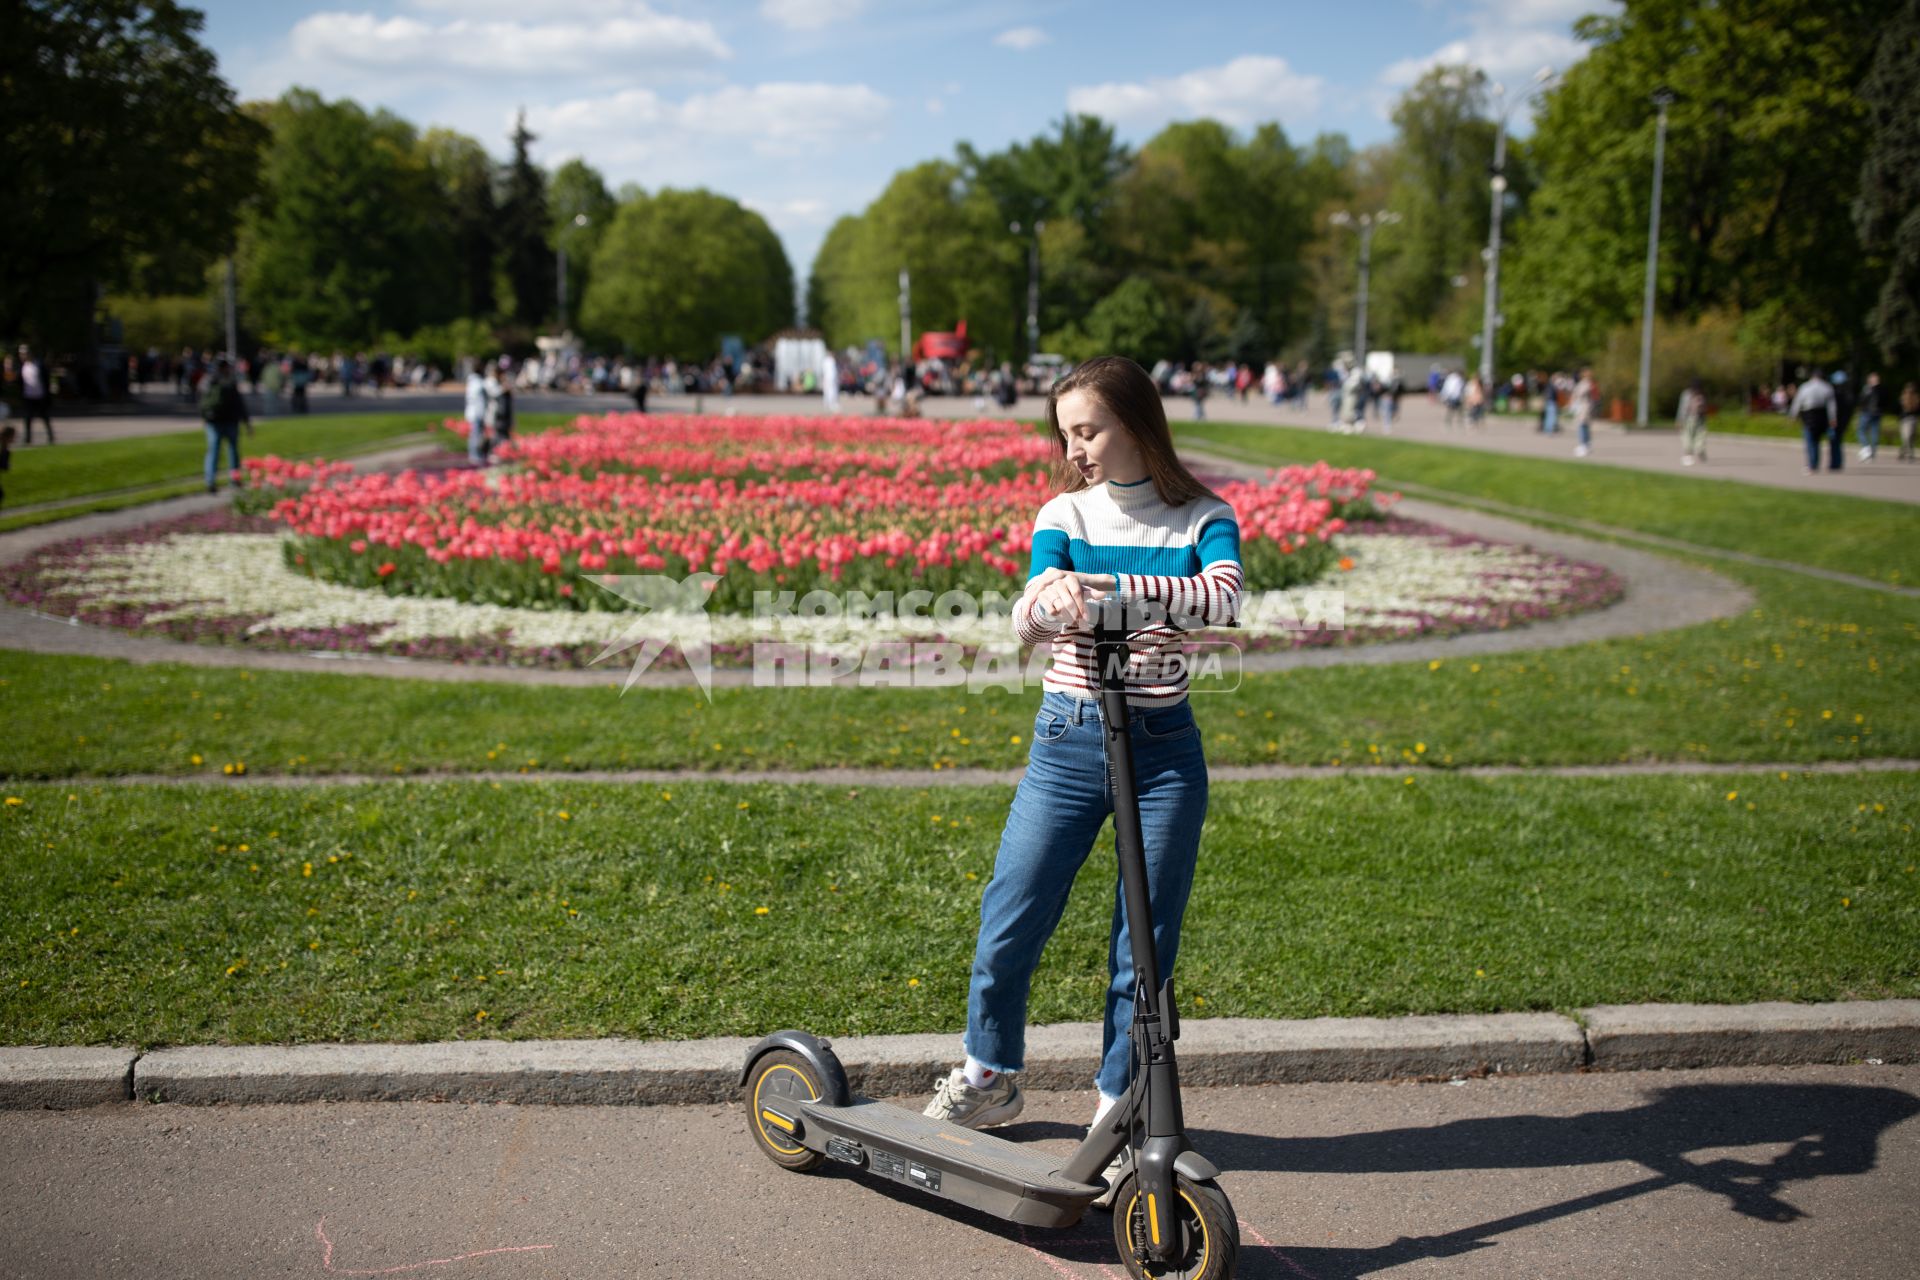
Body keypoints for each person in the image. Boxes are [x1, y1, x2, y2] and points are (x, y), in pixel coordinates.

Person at [922, 355, 1241, 1209]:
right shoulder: (1061, 512)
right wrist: (1058, 598)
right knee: (1013, 908)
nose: (1076, 450)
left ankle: (1117, 1106)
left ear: (1138, 422)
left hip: (1163, 753)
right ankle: (990, 1072)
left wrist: (1107, 591)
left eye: (1089, 430)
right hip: (1068, 742)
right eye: (1065, 434)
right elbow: (1026, 615)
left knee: (1145, 944)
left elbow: (1222, 599)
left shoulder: (1203, 515)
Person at [199, 358, 253, 492]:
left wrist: (204, 417)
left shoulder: (208, 380)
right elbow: (239, 403)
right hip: (229, 421)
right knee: (231, 451)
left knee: (214, 451)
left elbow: (202, 402)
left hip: (215, 421)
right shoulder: (228, 381)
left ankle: (211, 481)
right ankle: (233, 479)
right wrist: (247, 422)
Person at [1788, 366, 1836, 474]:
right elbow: (1831, 406)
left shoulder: (1805, 387)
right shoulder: (1827, 387)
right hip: (1822, 416)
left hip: (1809, 416)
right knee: (1817, 441)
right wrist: (1833, 419)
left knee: (1810, 441)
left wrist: (1793, 416)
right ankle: (1815, 463)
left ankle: (1812, 464)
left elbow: (1797, 402)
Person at [17, 346, 53, 444]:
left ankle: (51, 437)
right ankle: (28, 438)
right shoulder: (22, 367)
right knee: (28, 418)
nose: (23, 356)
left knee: (45, 417)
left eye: (25, 353)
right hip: (28, 397)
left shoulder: (38, 364)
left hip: (40, 395)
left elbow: (46, 380)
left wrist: (47, 394)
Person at [464, 358, 491, 465]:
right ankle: (474, 455)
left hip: (478, 412)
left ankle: (476, 454)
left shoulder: (475, 381)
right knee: (475, 435)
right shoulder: (476, 382)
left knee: (477, 434)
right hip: (476, 412)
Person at [1677, 377, 1708, 466]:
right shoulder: (1687, 395)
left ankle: (1700, 450)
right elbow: (1682, 408)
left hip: (1700, 420)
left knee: (1700, 436)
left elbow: (1704, 408)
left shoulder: (1702, 395)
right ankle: (1688, 455)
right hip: (1688, 419)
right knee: (1687, 438)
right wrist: (1680, 420)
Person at [1856, 372, 1883, 462]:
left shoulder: (1868, 389)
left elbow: (1862, 400)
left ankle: (1866, 448)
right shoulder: (1882, 389)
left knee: (1861, 430)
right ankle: (1872, 453)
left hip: (1867, 412)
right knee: (1874, 433)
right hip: (1877, 413)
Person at [1570, 367, 1597, 457]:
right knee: (1584, 426)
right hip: (1583, 406)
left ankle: (1583, 445)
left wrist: (1575, 397)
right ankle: (1586, 444)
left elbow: (1580, 393)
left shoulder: (1587, 383)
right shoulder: (1586, 383)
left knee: (1582, 426)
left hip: (1584, 407)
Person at [1899, 381, 1919, 463]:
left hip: (1912, 419)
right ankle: (1905, 452)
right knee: (1905, 437)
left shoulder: (1916, 398)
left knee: (1910, 437)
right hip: (1904, 419)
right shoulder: (1903, 397)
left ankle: (1909, 453)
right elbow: (1899, 409)